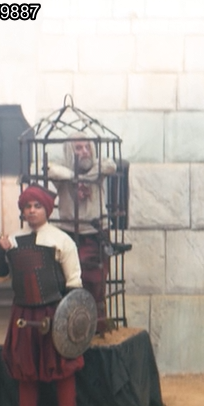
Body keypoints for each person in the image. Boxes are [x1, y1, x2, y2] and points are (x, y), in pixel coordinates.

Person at [0, 185, 84, 406]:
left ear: (47, 210)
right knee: (25, 366)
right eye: (27, 207)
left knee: (62, 367)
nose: (31, 211)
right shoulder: (13, 240)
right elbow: (0, 276)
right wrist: (0, 250)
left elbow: (74, 281)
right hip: (23, 311)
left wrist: (67, 317)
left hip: (54, 311)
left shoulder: (61, 240)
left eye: (37, 206)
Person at [47, 137, 117, 333]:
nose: (85, 152)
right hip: (69, 233)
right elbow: (44, 168)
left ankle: (96, 326)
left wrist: (85, 179)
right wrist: (73, 178)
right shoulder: (62, 174)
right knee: (69, 281)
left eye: (88, 147)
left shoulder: (97, 170)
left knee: (95, 281)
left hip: (95, 233)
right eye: (78, 148)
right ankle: (71, 328)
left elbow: (110, 165)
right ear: (69, 151)